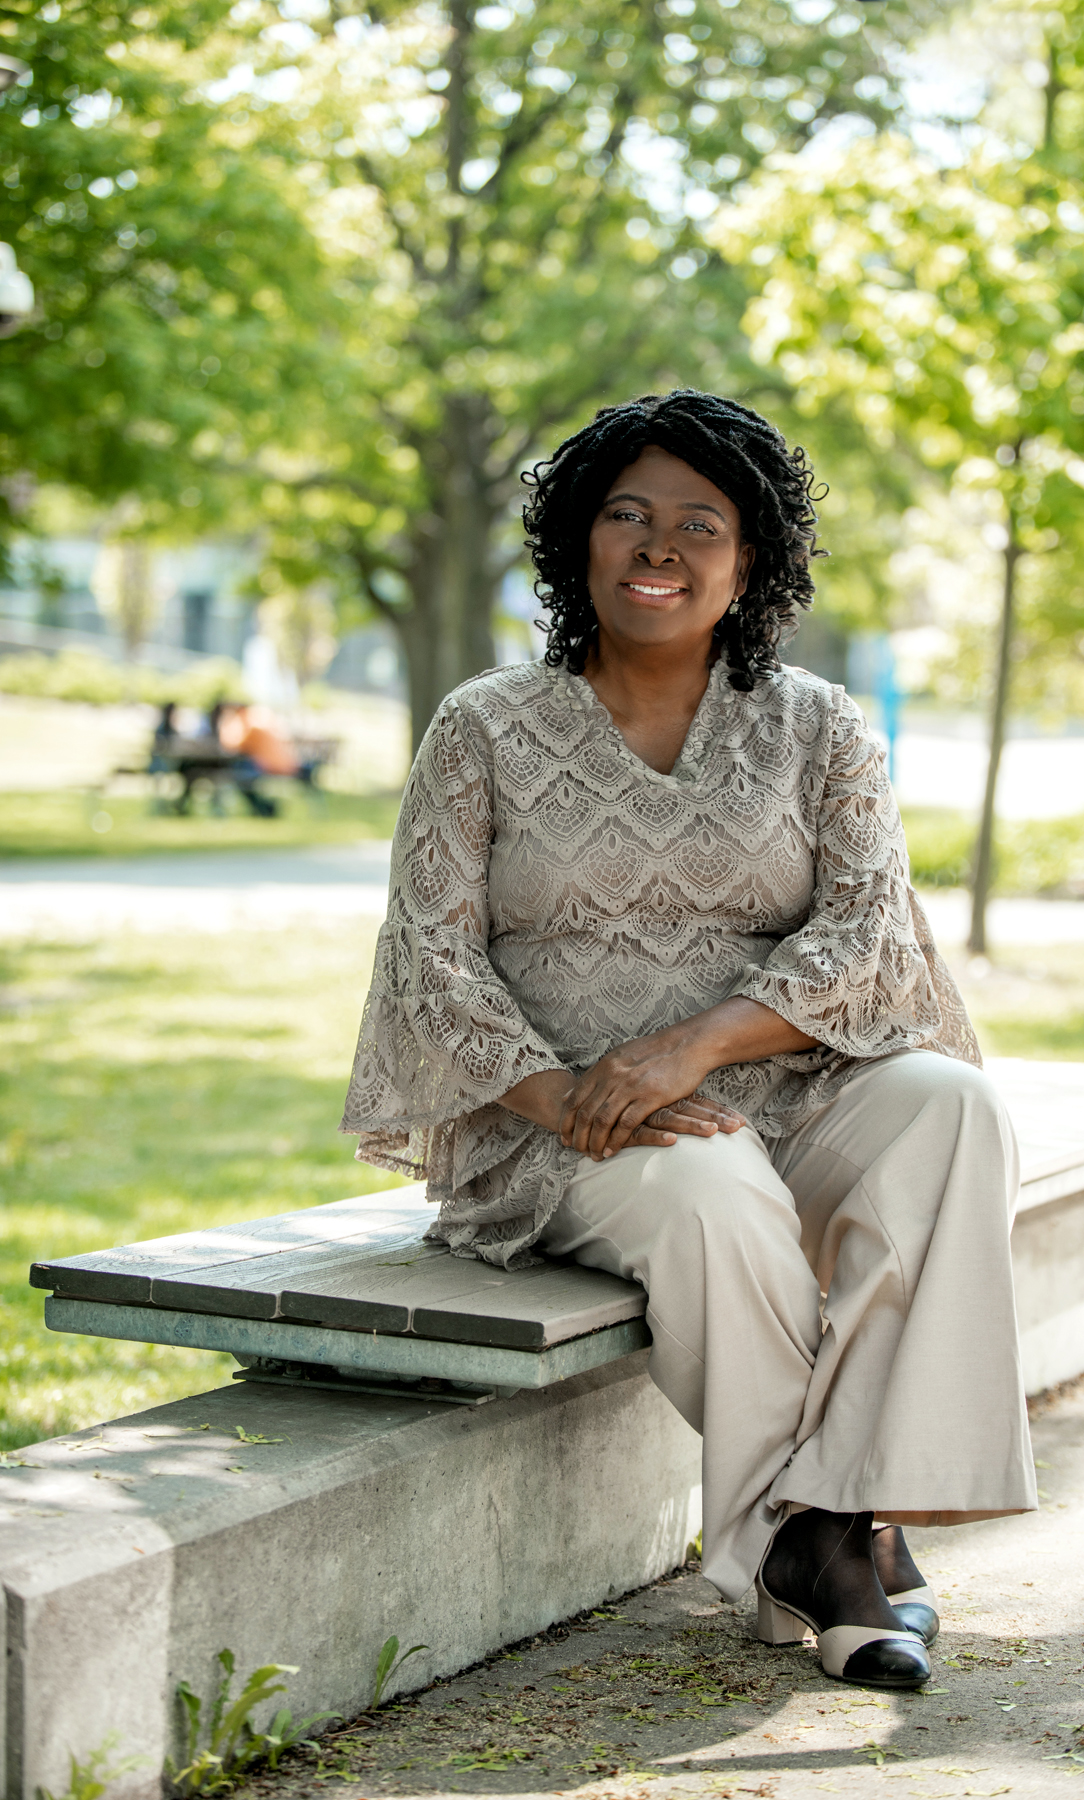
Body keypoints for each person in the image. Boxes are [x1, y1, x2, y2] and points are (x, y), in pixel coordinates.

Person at [341, 390, 1037, 1692]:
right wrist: (567, 1098)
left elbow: (869, 930)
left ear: (750, 561)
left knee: (954, 1109)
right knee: (707, 1178)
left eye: (698, 525)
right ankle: (829, 1550)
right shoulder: (483, 727)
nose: (658, 547)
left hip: (783, 1085)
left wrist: (691, 1048)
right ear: (578, 545)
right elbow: (428, 955)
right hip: (560, 1132)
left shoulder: (819, 726)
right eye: (626, 516)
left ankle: (823, 1519)